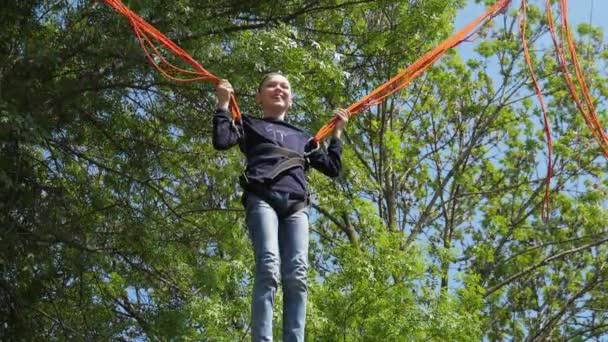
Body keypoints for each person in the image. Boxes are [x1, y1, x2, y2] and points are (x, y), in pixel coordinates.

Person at [212, 73, 348, 342]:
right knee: (269, 267)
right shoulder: (248, 124)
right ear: (259, 97)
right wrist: (223, 105)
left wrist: (338, 134)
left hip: (296, 204)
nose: (278, 89)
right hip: (262, 196)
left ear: (291, 99)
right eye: (271, 86)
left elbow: (332, 168)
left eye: (284, 86)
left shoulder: (304, 138)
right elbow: (222, 141)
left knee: (297, 275)